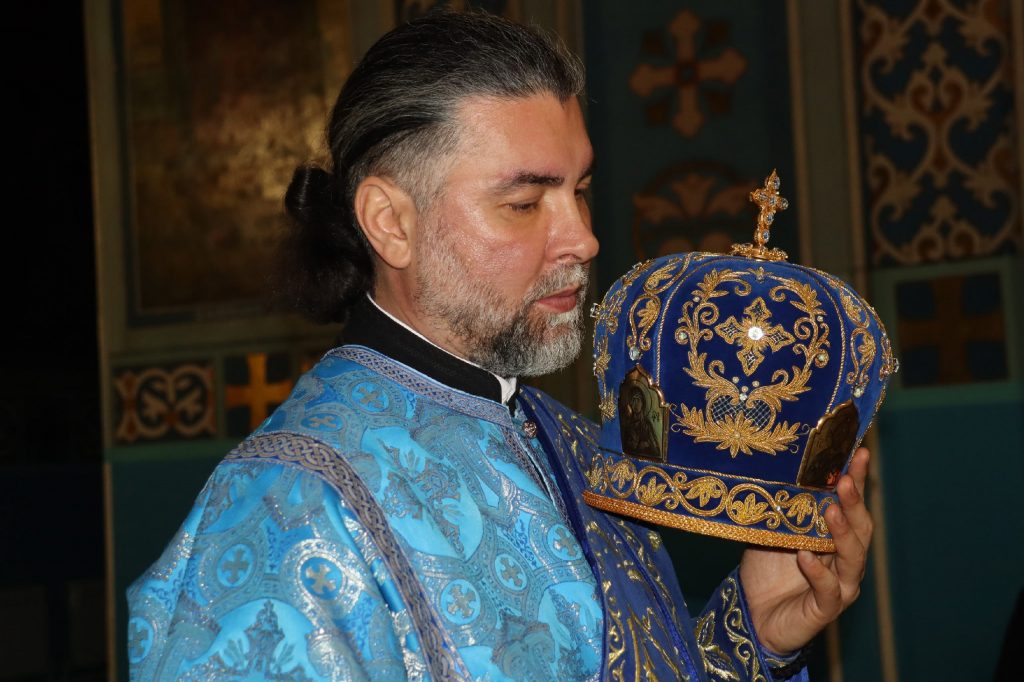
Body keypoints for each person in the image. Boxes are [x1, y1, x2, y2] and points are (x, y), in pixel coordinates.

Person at [127, 10, 873, 681]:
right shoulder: (289, 512)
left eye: (580, 191)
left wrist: (754, 636)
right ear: (390, 223)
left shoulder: (573, 444)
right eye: (523, 203)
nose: (583, 238)